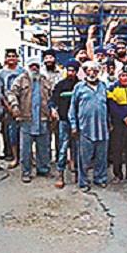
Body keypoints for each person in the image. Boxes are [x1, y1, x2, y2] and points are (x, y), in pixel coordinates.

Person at [8, 57, 55, 183]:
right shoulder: (21, 79)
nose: (34, 68)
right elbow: (11, 93)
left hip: (42, 118)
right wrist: (14, 106)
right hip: (27, 118)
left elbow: (51, 97)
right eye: (32, 66)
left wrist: (53, 110)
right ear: (28, 67)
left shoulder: (44, 80)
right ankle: (26, 172)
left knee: (43, 147)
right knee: (26, 149)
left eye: (36, 65)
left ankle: (43, 169)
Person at [69, 61, 110, 191]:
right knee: (84, 158)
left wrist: (110, 122)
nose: (92, 73)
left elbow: (109, 107)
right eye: (89, 70)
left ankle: (100, 178)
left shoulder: (104, 86)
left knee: (101, 157)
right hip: (85, 128)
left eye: (95, 71)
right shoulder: (79, 87)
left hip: (102, 128)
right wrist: (74, 126)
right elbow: (72, 109)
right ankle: (83, 182)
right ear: (85, 72)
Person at [50, 59, 80, 189]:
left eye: (73, 70)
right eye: (69, 70)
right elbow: (52, 101)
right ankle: (60, 174)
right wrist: (53, 110)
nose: (71, 73)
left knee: (78, 149)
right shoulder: (60, 85)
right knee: (62, 149)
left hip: (79, 122)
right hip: (63, 121)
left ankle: (78, 174)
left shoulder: (81, 85)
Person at [0, 48, 25, 167]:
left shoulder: (22, 71)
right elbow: (0, 91)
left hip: (23, 106)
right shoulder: (2, 73)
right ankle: (15, 157)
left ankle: (26, 157)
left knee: (24, 133)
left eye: (14, 56)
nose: (11, 58)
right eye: (9, 56)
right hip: (8, 107)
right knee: (11, 133)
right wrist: (8, 106)